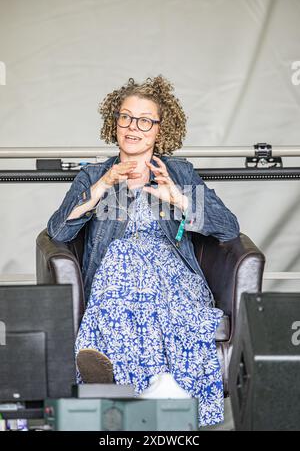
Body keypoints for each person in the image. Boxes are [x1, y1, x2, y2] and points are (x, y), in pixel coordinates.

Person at [47, 75, 240, 427]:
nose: (133, 128)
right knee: (123, 254)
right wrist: (102, 187)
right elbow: (59, 230)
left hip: (173, 278)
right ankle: (158, 396)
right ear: (114, 121)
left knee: (131, 260)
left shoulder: (179, 172)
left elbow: (228, 227)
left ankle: (120, 390)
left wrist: (179, 199)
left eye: (145, 120)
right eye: (125, 117)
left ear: (160, 129)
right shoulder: (94, 174)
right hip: (114, 282)